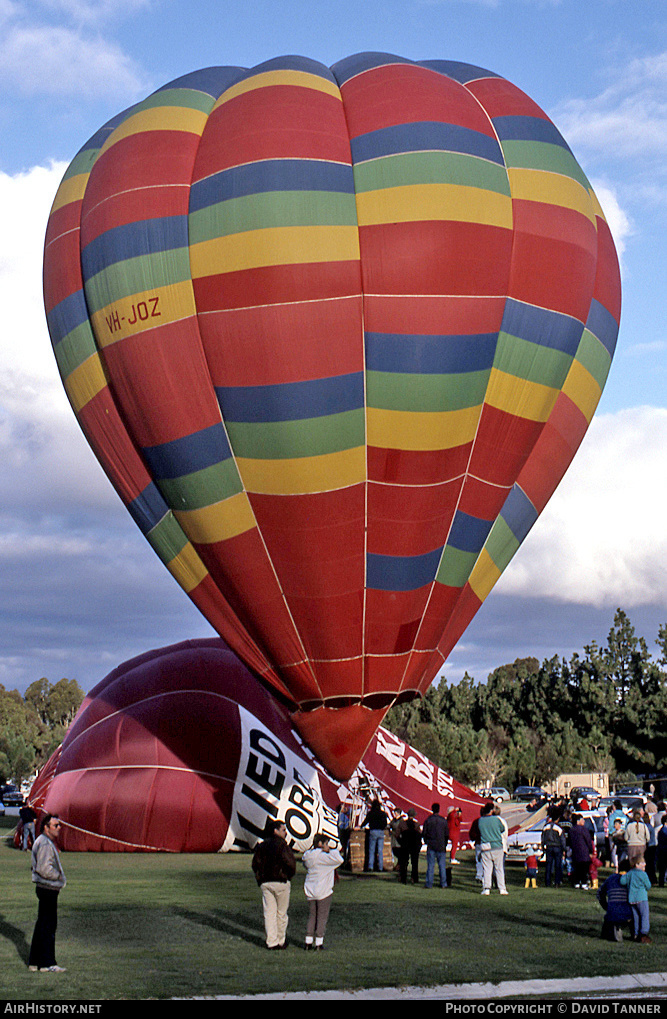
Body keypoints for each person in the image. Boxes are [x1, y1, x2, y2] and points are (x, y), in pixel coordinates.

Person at [28, 814, 67, 973]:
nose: (59, 828)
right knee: (49, 926)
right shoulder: (44, 843)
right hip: (48, 889)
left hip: (44, 888)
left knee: (42, 925)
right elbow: (44, 869)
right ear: (46, 827)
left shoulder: (43, 841)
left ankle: (35, 962)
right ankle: (47, 962)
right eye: (55, 825)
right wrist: (59, 876)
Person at [251, 819, 296, 950]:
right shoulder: (283, 846)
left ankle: (271, 942)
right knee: (281, 913)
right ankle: (281, 940)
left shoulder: (261, 845)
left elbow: (255, 864)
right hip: (281, 881)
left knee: (269, 913)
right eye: (283, 830)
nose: (286, 833)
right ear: (275, 831)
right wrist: (288, 876)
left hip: (266, 882)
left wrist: (260, 878)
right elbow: (290, 863)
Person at [301, 833, 343, 951]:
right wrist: (330, 850)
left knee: (312, 916)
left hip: (310, 889)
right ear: (321, 844)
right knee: (322, 917)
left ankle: (308, 941)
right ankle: (319, 942)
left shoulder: (308, 856)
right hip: (323, 891)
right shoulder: (324, 858)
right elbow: (339, 860)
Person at [598, 860, 633, 942]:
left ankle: (609, 931)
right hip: (628, 914)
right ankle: (635, 934)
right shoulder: (631, 879)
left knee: (610, 915)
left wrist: (606, 906)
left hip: (612, 913)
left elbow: (600, 893)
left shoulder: (611, 878)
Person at [478, 804, 508, 895]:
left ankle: (486, 888)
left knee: (487, 869)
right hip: (497, 845)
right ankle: (502, 888)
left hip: (485, 846)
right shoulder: (496, 819)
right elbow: (502, 829)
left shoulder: (480, 820)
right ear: (491, 810)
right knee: (499, 868)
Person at [620, 858, 652, 944]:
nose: (644, 864)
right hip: (642, 898)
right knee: (644, 915)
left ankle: (636, 933)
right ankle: (644, 933)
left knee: (636, 917)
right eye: (642, 863)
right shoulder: (643, 874)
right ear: (636, 865)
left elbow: (622, 881)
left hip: (632, 899)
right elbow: (648, 886)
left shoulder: (630, 873)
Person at [422, 803, 449, 889]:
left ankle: (429, 883)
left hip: (431, 845)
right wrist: (445, 843)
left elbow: (424, 833)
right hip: (441, 845)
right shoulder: (443, 821)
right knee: (442, 866)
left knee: (430, 866)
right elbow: (446, 834)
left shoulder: (428, 820)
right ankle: (443, 883)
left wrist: (427, 841)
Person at [361, 798, 388, 872]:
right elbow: (385, 823)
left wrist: (360, 826)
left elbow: (366, 821)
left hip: (373, 831)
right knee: (380, 851)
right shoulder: (383, 813)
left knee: (371, 850)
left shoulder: (370, 813)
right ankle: (380, 867)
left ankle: (371, 866)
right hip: (381, 832)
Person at [397, 809, 422, 885]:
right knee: (414, 863)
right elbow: (420, 835)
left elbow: (397, 834)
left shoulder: (402, 824)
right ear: (414, 816)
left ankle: (403, 878)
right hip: (414, 845)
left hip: (405, 844)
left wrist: (400, 842)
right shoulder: (417, 825)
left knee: (404, 862)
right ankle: (414, 878)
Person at [568, 814, 593, 889]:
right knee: (584, 868)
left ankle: (576, 883)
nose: (584, 821)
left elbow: (569, 841)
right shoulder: (583, 829)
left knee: (576, 868)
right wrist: (591, 850)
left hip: (575, 851)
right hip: (584, 851)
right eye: (582, 820)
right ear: (578, 821)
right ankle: (584, 883)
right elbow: (588, 840)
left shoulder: (571, 830)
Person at [541, 816, 566, 888]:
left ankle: (547, 882)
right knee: (557, 865)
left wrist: (543, 847)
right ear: (557, 819)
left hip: (548, 846)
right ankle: (557, 882)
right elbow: (562, 839)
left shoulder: (546, 827)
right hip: (557, 847)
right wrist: (564, 849)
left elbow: (542, 838)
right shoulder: (558, 828)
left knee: (548, 865)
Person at [657, 813, 667, 888]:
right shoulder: (663, 831)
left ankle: (661, 882)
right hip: (664, 851)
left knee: (662, 869)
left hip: (662, 851)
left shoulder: (662, 830)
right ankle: (661, 882)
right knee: (663, 868)